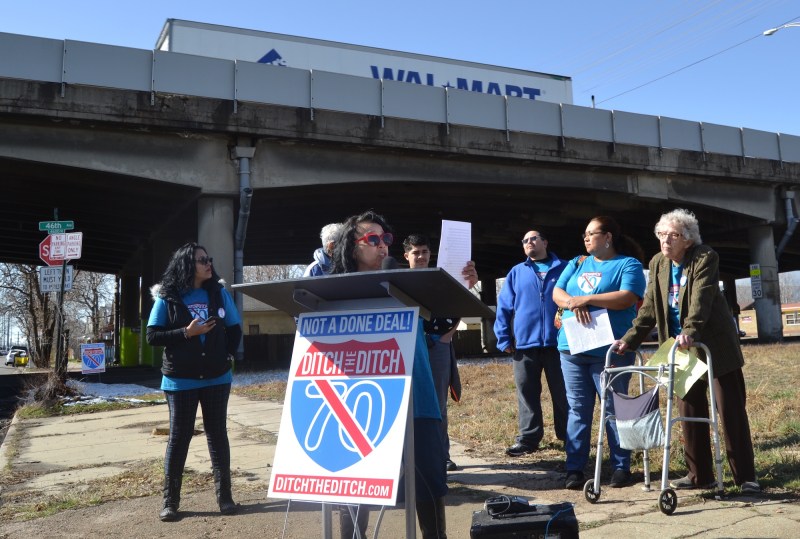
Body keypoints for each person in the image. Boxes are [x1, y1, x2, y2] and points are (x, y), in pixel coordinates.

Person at [614, 208, 760, 494]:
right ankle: (699, 475)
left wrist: (690, 332)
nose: (666, 240)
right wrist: (629, 340)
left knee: (729, 411)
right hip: (678, 349)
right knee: (688, 410)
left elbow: (701, 299)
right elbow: (648, 310)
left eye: (674, 235)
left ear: (689, 239)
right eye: (661, 234)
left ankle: (746, 477)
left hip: (713, 344)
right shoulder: (658, 263)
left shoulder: (705, 257)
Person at [331, 212, 458, 539]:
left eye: (385, 238)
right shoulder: (334, 293)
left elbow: (435, 329)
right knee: (356, 487)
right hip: (361, 406)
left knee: (430, 482)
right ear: (351, 247)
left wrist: (460, 288)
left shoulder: (409, 286)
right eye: (372, 240)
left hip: (418, 399)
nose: (382, 246)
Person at [146, 242, 243, 521]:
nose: (208, 263)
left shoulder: (218, 292)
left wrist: (225, 355)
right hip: (180, 380)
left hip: (217, 377)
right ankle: (170, 502)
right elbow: (153, 336)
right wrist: (185, 333)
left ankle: (225, 497)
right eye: (202, 260)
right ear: (188, 265)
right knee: (179, 437)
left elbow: (235, 328)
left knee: (217, 435)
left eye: (209, 259)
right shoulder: (169, 296)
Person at [552, 216, 646, 490]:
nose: (586, 238)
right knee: (577, 410)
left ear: (608, 238)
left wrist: (588, 299)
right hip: (571, 348)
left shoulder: (628, 264)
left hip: (610, 351)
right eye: (585, 234)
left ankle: (620, 467)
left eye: (592, 233)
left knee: (614, 409)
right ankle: (574, 469)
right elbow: (557, 292)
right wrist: (572, 301)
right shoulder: (578, 262)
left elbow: (628, 297)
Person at [403, 233, 478, 472]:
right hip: (410, 343)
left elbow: (460, 303)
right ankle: (410, 457)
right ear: (406, 256)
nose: (421, 256)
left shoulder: (442, 278)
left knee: (437, 403)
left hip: (438, 345)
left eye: (425, 252)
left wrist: (449, 335)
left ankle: (441, 455)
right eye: (416, 253)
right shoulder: (399, 281)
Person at [494, 229, 568, 457]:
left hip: (559, 345)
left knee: (563, 393)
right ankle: (528, 439)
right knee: (526, 393)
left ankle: (569, 437)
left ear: (545, 242)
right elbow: (504, 307)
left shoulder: (565, 268)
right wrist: (503, 337)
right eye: (525, 240)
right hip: (524, 345)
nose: (529, 242)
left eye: (533, 238)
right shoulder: (517, 272)